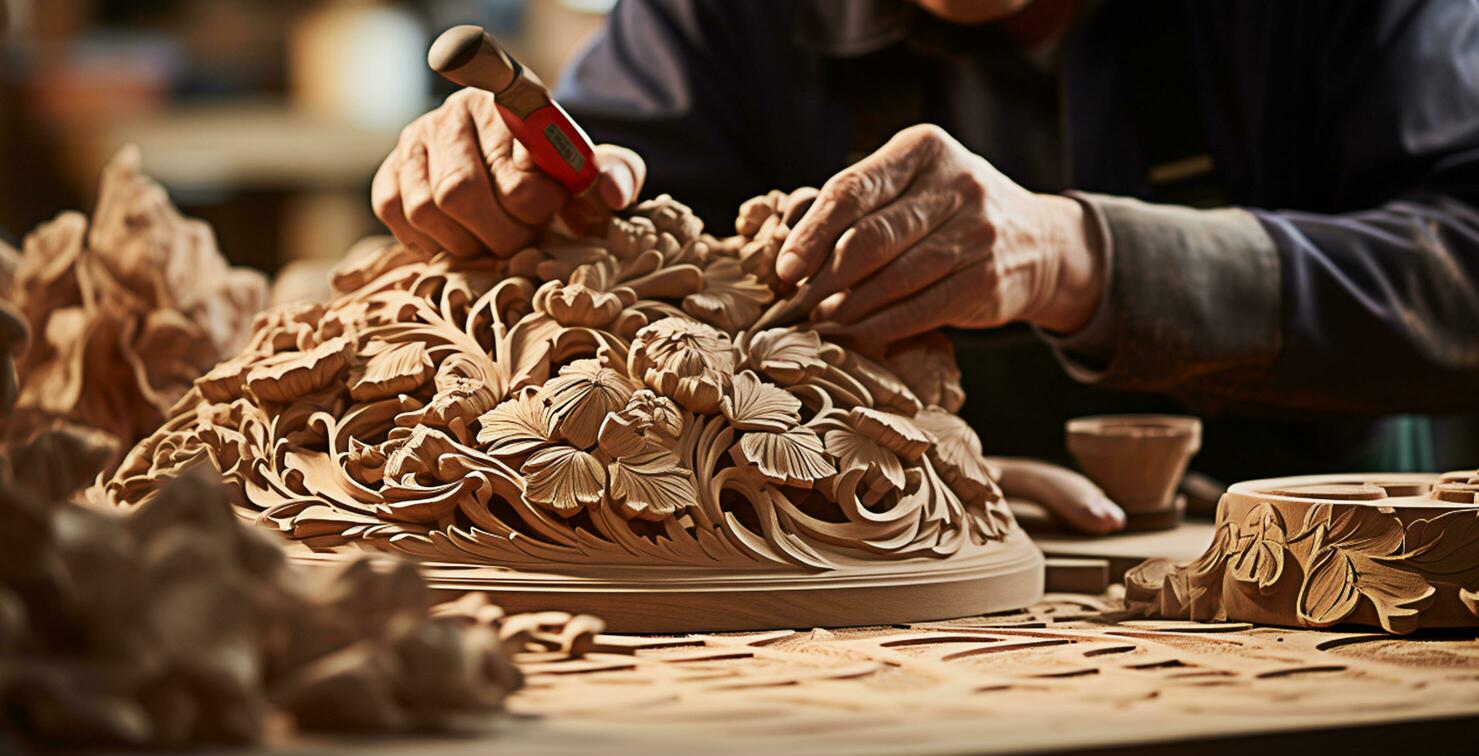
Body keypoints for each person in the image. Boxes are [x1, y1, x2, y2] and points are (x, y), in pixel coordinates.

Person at [373, 0, 1479, 529]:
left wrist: (1082, 257)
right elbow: (585, 206)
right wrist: (489, 185)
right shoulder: (719, 20)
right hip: (906, 581)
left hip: (1310, 577)